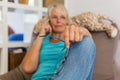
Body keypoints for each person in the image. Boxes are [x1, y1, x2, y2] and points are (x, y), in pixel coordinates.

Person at [0, 3, 96, 80]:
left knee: (87, 42)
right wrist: (41, 34)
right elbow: (27, 68)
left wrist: (87, 34)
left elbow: (87, 57)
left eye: (62, 17)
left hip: (64, 76)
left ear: (67, 21)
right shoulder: (42, 39)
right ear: (48, 20)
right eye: (54, 17)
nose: (58, 20)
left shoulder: (75, 37)